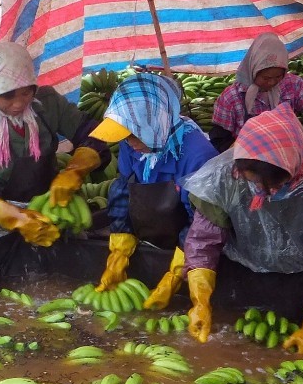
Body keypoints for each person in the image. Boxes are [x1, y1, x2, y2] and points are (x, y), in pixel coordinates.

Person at [180, 104, 303, 354]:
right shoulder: (227, 172)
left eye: (273, 185)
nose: (262, 193)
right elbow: (203, 239)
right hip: (242, 271)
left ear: (292, 168)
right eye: (252, 182)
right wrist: (200, 301)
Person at [0, 41, 110, 247]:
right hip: (5, 226)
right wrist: (16, 219)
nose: (18, 103)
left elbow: (95, 134)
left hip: (56, 207)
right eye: (7, 96)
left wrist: (75, 171)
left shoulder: (48, 104)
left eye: (26, 92)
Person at [86, 71, 218, 309]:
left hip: (188, 244)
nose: (130, 143)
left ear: (153, 122)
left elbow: (203, 221)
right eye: (126, 136)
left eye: (134, 135)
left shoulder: (197, 155)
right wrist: (119, 250)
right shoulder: (132, 145)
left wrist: (176, 273)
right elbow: (123, 191)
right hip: (151, 237)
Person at [209, 32, 303, 152]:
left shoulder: (291, 85)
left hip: (287, 156)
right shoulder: (231, 98)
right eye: (266, 78)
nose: (272, 82)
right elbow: (220, 139)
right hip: (249, 163)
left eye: (278, 76)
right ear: (252, 71)